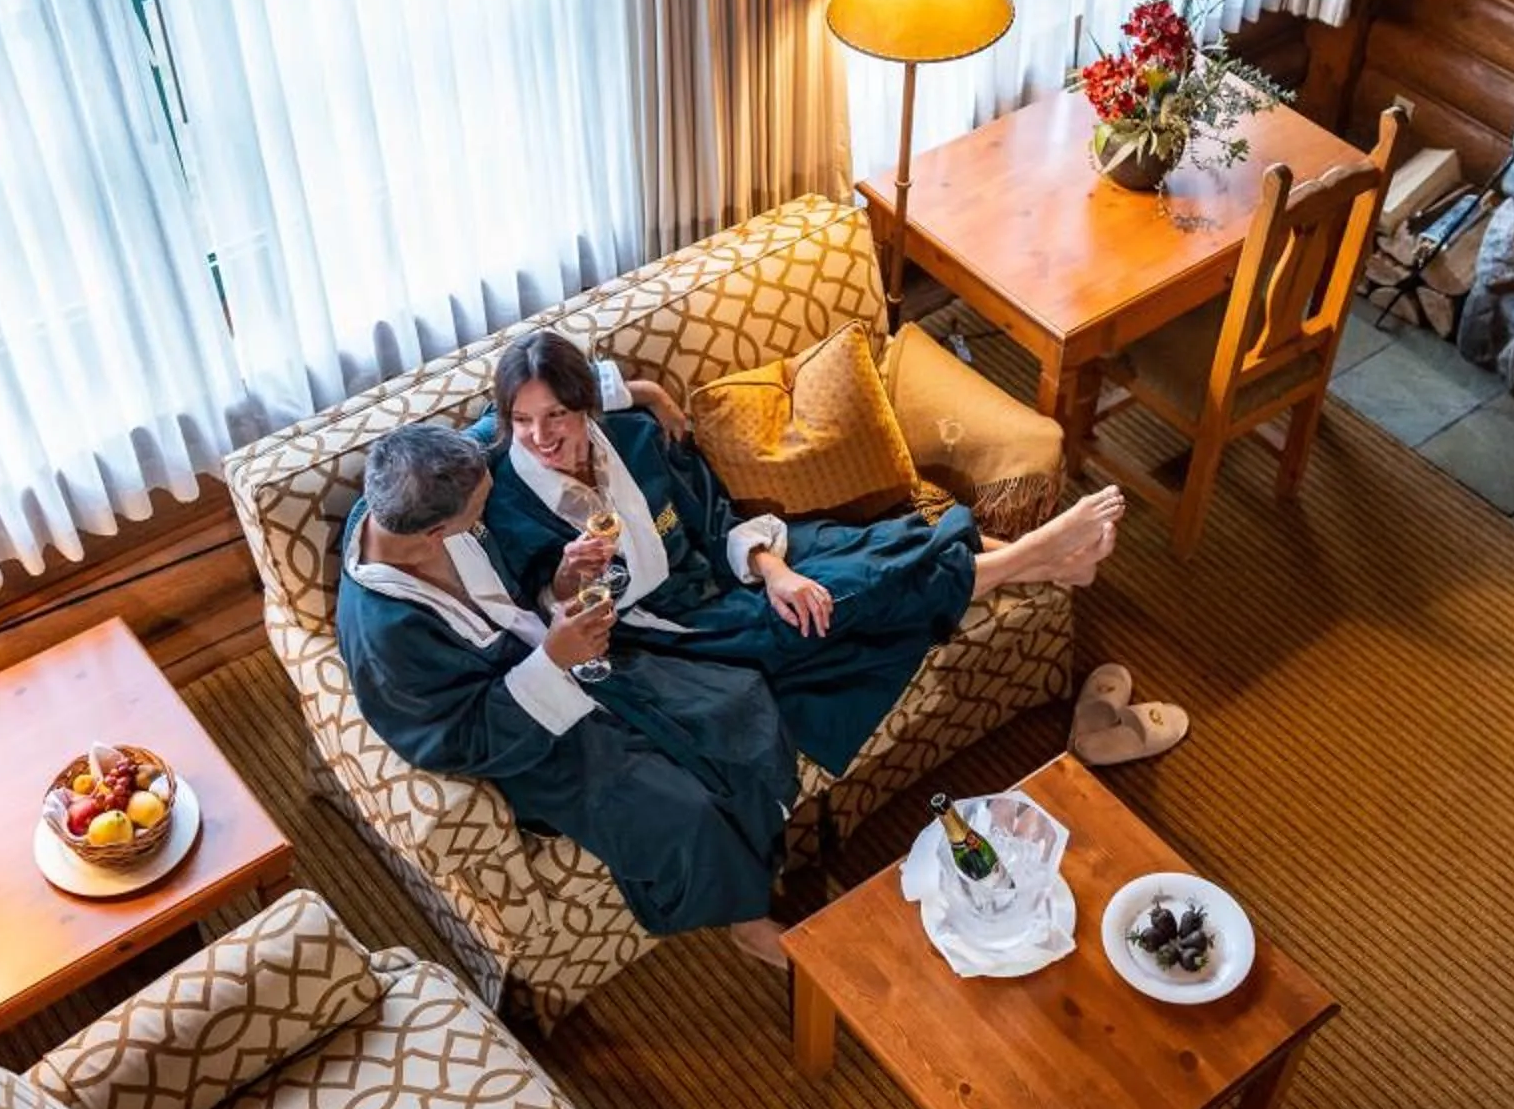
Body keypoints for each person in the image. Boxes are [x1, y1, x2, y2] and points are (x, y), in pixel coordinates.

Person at [474, 331, 1123, 776]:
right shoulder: (503, 494)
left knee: (867, 545)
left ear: (587, 405)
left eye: (556, 415)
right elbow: (550, 606)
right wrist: (568, 576)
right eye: (523, 420)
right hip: (678, 630)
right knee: (843, 600)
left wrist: (775, 569)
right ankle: (1041, 557)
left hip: (734, 564)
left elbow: (712, 518)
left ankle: (1049, 562)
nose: (540, 436)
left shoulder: (637, 442)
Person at [336, 423, 798, 969]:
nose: (489, 509)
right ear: (437, 533)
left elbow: (509, 410)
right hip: (525, 739)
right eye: (480, 508)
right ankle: (745, 920)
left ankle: (765, 856)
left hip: (576, 657)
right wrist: (551, 661)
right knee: (682, 811)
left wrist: (639, 392)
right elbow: (451, 738)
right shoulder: (384, 634)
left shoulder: (415, 486)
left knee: (734, 704)